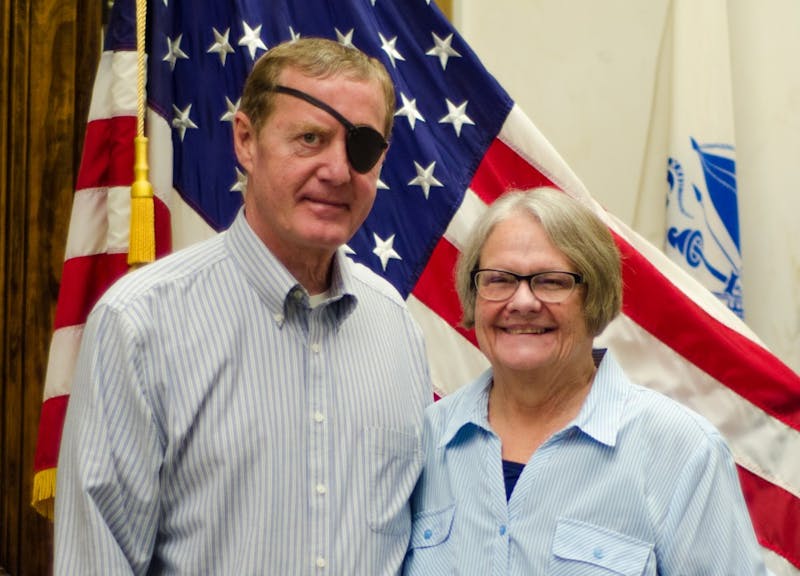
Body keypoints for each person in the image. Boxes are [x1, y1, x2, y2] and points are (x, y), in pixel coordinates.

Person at [54, 37, 432, 575]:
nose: (338, 170)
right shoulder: (141, 324)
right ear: (246, 140)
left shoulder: (396, 329)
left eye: (363, 147)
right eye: (310, 138)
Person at [403, 187, 767, 575]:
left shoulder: (682, 451)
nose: (523, 302)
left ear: (595, 297)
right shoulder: (426, 440)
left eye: (552, 282)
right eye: (499, 279)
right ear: (474, 295)